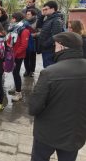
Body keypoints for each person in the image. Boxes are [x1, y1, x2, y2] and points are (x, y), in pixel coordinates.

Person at [29, 32, 86, 161]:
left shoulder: (50, 73)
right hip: (76, 132)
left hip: (47, 133)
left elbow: (34, 107)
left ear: (61, 46)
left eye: (55, 45)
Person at [6, 12, 30, 102]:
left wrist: (14, 54)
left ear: (15, 19)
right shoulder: (14, 29)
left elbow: (24, 46)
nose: (11, 20)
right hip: (12, 54)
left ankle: (18, 93)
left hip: (18, 55)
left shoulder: (24, 30)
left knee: (16, 73)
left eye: (12, 18)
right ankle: (16, 88)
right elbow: (10, 39)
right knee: (14, 72)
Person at [36, 1, 63, 68]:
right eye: (43, 9)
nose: (44, 11)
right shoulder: (48, 19)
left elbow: (56, 36)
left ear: (53, 9)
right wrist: (42, 15)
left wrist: (45, 44)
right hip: (45, 49)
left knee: (50, 68)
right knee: (47, 68)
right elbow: (38, 25)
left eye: (46, 9)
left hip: (50, 50)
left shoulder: (56, 20)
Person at [24, 10, 38, 77]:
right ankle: (27, 70)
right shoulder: (24, 22)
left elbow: (41, 31)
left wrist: (33, 34)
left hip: (33, 42)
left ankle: (32, 71)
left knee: (32, 57)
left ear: (33, 15)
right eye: (27, 14)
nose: (27, 15)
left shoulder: (37, 22)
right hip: (26, 42)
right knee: (25, 57)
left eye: (29, 14)